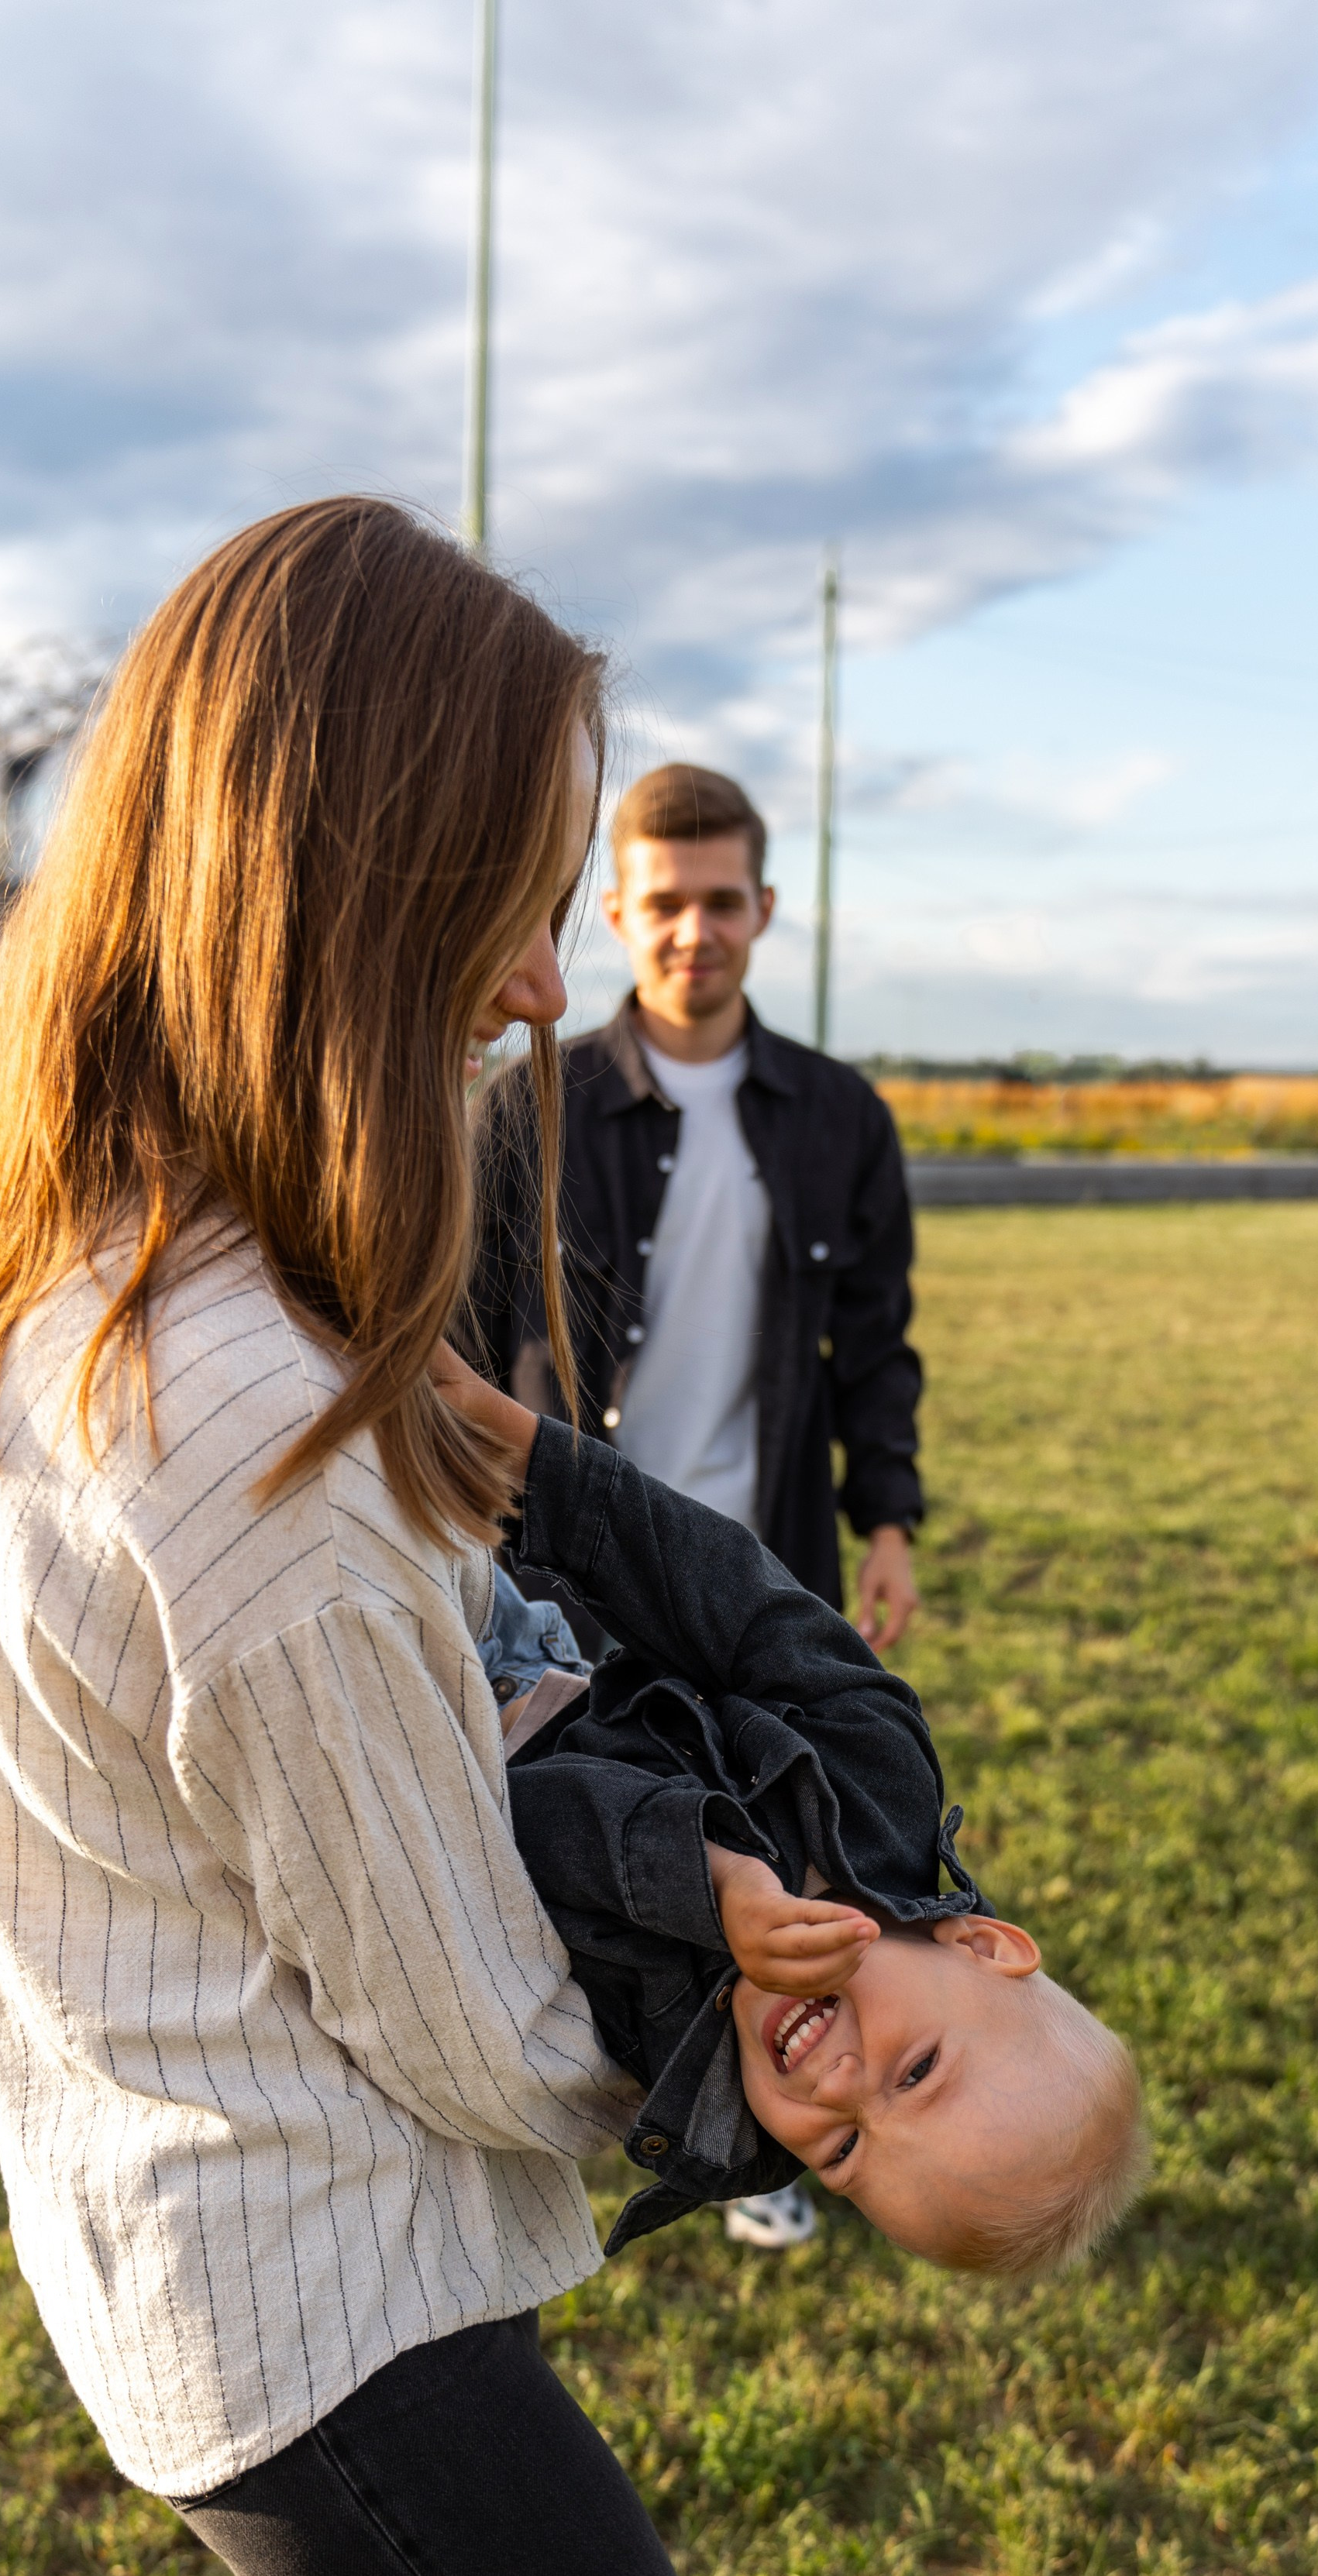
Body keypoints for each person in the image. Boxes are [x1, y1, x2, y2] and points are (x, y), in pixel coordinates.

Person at [0, 499, 792, 2576]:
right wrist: (746, 2063)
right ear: (348, 901)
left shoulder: (101, 1253)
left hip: (226, 2251)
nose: (543, 983)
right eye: (506, 898)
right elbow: (460, 2020)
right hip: (322, 2305)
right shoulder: (248, 1429)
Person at [0, 1254, 1143, 2280]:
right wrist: (549, 1469)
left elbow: (520, 1836)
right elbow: (738, 1603)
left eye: (841, 2155)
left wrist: (703, 1886)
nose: (839, 2089)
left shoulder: (671, 2061)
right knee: (318, 1371)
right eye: (916, 2070)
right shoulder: (883, 1782)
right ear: (984, 1946)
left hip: (409, 1737)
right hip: (528, 1628)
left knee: (143, 1636)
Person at [469, 759, 926, 2254]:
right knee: (609, 1845)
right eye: (664, 902)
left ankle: (768, 2145)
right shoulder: (528, 1106)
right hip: (564, 1568)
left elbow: (875, 1346)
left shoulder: (839, 1119)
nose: (694, 930)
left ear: (764, 909)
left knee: (781, 1854)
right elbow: (461, 1336)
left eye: (722, 901)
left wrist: (890, 1523)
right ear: (616, 911)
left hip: (760, 1559)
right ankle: (623, 2117)